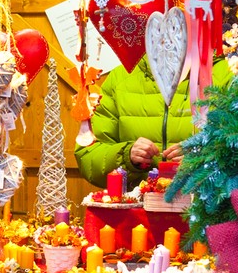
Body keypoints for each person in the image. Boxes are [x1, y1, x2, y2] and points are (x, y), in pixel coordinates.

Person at [74, 58, 196, 189]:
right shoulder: (120, 79)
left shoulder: (218, 73)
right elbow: (89, 155)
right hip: (136, 204)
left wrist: (204, 158)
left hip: (202, 205)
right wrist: (126, 156)